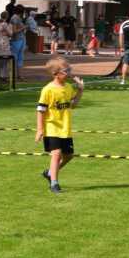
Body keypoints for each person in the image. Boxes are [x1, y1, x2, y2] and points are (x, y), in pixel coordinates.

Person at [36, 56, 84, 194]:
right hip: (52, 127)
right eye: (66, 70)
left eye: (69, 69)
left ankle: (50, 173)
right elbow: (40, 110)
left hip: (65, 128)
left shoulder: (68, 87)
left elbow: (73, 105)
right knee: (56, 154)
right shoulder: (48, 90)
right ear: (55, 74)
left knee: (69, 156)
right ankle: (54, 184)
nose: (69, 72)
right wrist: (40, 129)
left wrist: (80, 90)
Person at [0, 11, 11, 79]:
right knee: (5, 58)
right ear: (7, 16)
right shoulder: (5, 24)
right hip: (4, 41)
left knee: (0, 58)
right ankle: (3, 75)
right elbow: (10, 33)